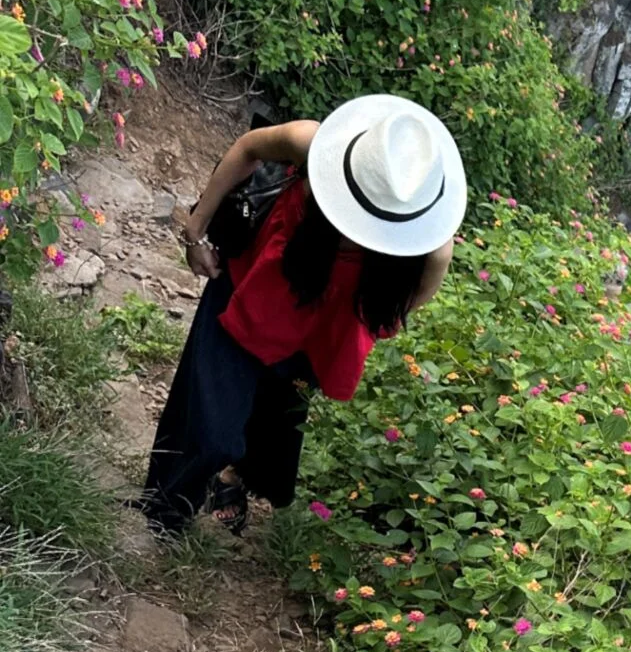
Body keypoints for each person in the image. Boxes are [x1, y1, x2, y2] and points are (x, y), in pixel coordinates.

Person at [140, 94, 464, 535]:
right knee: (210, 423)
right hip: (255, 286)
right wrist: (196, 230)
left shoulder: (429, 240)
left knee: (275, 428)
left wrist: (371, 319)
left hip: (322, 324)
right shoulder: (316, 143)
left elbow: (420, 287)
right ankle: (164, 514)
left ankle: (232, 479)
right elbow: (248, 148)